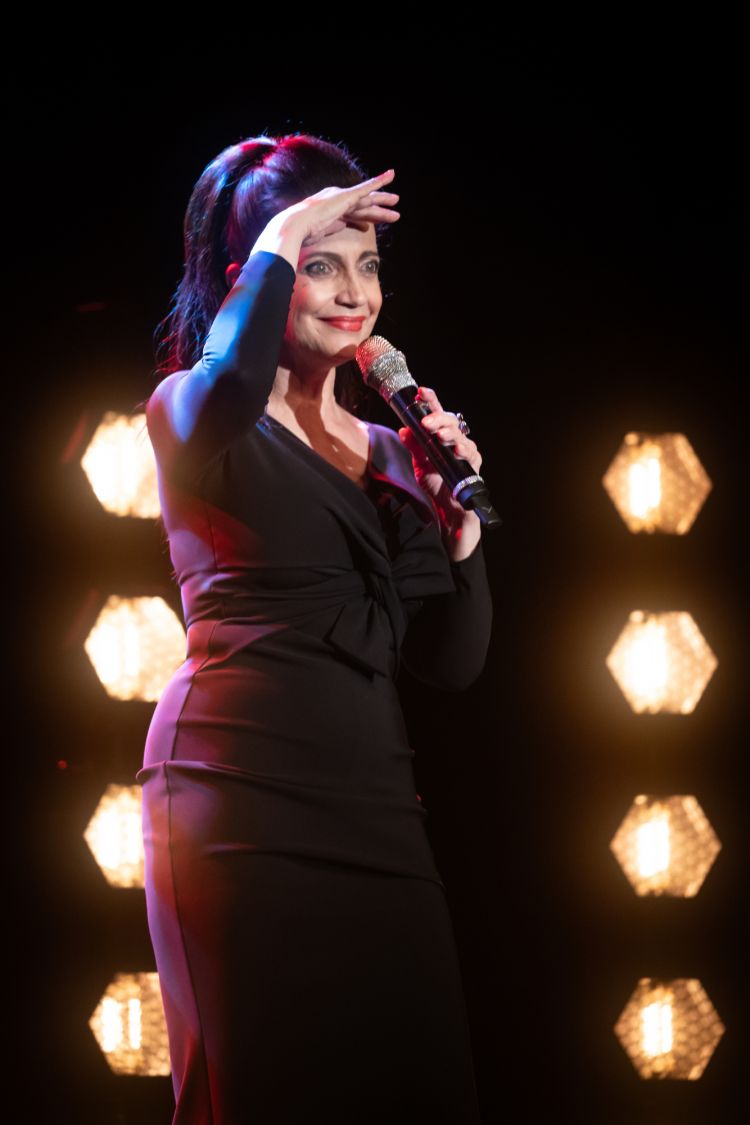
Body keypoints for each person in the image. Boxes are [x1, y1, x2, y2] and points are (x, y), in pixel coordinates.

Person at [137, 132, 493, 1124]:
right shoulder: (194, 410)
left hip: (377, 811)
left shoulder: (391, 448)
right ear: (253, 275)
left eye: (365, 266)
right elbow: (232, 379)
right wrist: (285, 230)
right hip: (236, 801)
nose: (353, 293)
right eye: (319, 264)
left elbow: (448, 662)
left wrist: (462, 543)